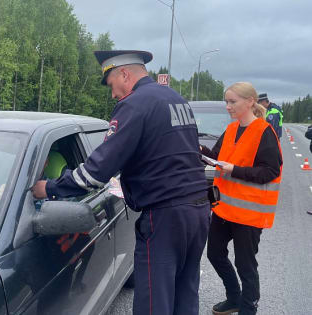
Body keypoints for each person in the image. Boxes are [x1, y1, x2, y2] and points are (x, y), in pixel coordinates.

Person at [32, 50, 210, 315]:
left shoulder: (135, 104)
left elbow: (95, 172)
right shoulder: (177, 99)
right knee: (185, 294)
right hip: (198, 212)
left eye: (111, 85)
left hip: (165, 217)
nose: (113, 94)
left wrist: (49, 188)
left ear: (124, 74)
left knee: (154, 305)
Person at [201, 82, 283, 315]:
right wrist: (198, 150)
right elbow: (216, 157)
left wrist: (234, 170)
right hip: (224, 209)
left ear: (250, 102)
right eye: (226, 101)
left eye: (232, 102)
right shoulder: (232, 129)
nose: (228, 106)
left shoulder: (264, 131)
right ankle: (234, 298)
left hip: (249, 213)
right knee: (215, 254)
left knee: (246, 265)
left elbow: (270, 171)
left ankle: (248, 308)